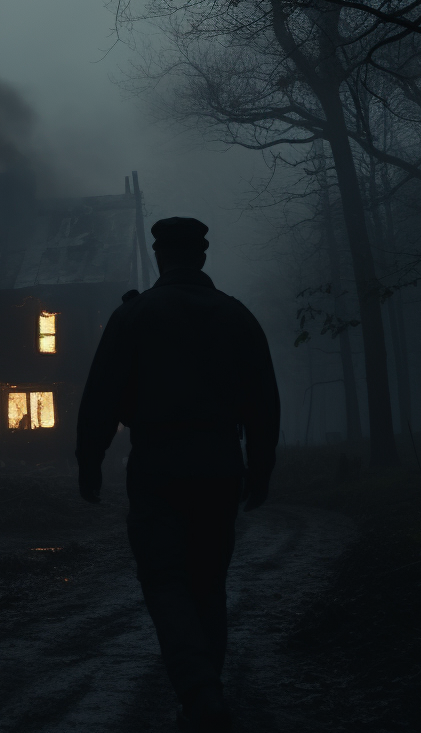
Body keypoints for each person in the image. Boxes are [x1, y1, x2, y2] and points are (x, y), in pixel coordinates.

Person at [76, 217, 280, 732]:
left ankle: (199, 691)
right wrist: (261, 467)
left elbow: (101, 394)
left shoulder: (135, 316)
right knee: (208, 581)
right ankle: (205, 690)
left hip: (157, 464)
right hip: (218, 464)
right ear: (202, 258)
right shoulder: (237, 316)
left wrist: (90, 462)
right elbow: (263, 401)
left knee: (165, 580)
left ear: (161, 258)